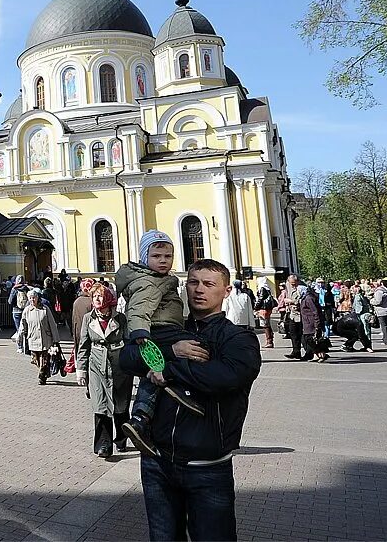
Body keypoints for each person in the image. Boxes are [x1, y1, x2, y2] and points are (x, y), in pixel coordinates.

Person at [120, 259, 262, 542]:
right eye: (193, 282)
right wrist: (172, 350)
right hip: (158, 463)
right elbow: (127, 358)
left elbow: (224, 377)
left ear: (226, 291)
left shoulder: (237, 338)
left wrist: (167, 369)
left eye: (209, 284)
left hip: (207, 466)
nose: (199, 290)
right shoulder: (167, 331)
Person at [118, 231, 205, 456]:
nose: (163, 260)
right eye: (157, 256)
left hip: (161, 328)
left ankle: (139, 418)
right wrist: (140, 333)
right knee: (197, 348)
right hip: (158, 330)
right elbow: (139, 309)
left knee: (153, 374)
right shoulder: (149, 282)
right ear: (144, 257)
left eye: (168, 256)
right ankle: (181, 389)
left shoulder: (158, 280)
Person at [76, 284, 132, 457]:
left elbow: (129, 343)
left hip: (119, 368)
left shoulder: (121, 319)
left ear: (108, 299)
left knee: (120, 406)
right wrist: (81, 369)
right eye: (94, 297)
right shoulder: (88, 318)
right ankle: (104, 445)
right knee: (100, 406)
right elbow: (83, 344)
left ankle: (121, 438)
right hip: (96, 367)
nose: (97, 300)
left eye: (100, 296)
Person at [20, 290, 56, 384]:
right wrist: (20, 335)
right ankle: (43, 372)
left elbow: (52, 324)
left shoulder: (45, 309)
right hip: (33, 338)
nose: (32, 300)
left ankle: (42, 375)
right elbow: (23, 324)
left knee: (44, 358)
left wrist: (55, 339)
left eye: (34, 298)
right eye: (30, 298)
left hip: (45, 337)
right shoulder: (27, 310)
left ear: (37, 298)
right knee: (35, 359)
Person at [298, 284, 327, 362]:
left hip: (311, 323)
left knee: (312, 340)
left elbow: (315, 311)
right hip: (308, 322)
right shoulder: (305, 297)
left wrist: (317, 323)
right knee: (310, 339)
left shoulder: (308, 298)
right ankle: (316, 355)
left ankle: (321, 355)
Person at [278, 275, 304, 358]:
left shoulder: (301, 288)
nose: (293, 285)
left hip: (300, 315)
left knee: (301, 334)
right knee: (293, 333)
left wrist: (291, 301)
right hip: (292, 314)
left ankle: (308, 352)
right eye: (291, 283)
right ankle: (296, 351)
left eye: (294, 283)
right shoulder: (288, 288)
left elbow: (302, 300)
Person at [70, 277, 97, 355]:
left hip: (78, 333)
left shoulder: (77, 301)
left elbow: (74, 320)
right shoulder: (92, 302)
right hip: (91, 334)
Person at [372, 279, 387, 346]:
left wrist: (371, 301)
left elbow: (378, 301)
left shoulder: (379, 291)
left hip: (382, 311)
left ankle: (386, 341)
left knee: (384, 327)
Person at [254, 281, 277, 348]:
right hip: (267, 309)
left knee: (265, 325)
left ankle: (269, 341)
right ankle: (270, 340)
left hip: (263, 309)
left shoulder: (262, 288)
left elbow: (260, 299)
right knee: (267, 324)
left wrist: (256, 307)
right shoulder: (267, 289)